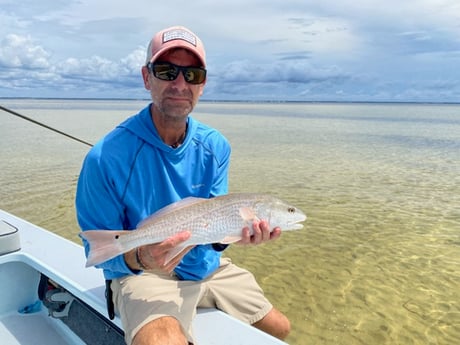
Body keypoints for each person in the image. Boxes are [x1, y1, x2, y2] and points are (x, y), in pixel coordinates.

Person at [75, 25, 290, 345]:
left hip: (205, 265)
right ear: (147, 78)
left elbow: (214, 224)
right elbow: (98, 251)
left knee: (279, 329)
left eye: (192, 75)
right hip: (146, 274)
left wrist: (231, 238)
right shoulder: (104, 157)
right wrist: (141, 258)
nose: (179, 84)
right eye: (166, 71)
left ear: (202, 85)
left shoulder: (215, 146)